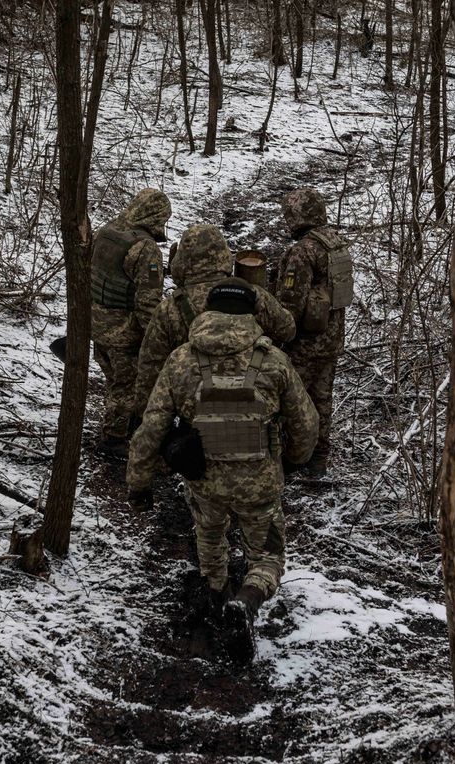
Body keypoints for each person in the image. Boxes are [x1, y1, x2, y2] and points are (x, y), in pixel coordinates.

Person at [126, 282, 318, 663]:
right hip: (259, 483)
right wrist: (295, 460)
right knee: (267, 556)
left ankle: (217, 596)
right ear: (250, 314)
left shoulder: (181, 360)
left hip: (204, 481)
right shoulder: (275, 361)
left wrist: (139, 482)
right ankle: (246, 602)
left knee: (210, 536)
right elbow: (306, 424)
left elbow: (152, 427)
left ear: (207, 313)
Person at [134, 224, 295, 419]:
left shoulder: (169, 309)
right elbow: (288, 330)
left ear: (182, 261)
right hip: (254, 406)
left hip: (194, 411)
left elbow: (150, 369)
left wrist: (144, 418)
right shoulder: (252, 295)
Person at [270, 187, 354, 478]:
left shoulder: (302, 251)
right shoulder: (336, 245)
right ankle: (318, 458)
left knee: (292, 401)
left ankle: (291, 457)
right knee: (322, 398)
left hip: (304, 343)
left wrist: (275, 334)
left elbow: (290, 304)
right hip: (331, 339)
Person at [89, 188, 172, 458]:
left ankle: (118, 428)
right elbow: (147, 303)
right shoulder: (145, 249)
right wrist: (158, 339)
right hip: (124, 333)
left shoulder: (107, 232)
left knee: (114, 380)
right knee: (125, 388)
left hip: (97, 324)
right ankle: (114, 440)